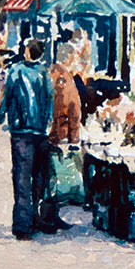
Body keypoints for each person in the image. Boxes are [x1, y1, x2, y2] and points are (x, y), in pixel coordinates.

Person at [0, 38, 54, 240]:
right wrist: (48, 123)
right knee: (38, 177)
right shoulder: (45, 72)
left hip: (20, 130)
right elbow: (49, 98)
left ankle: (22, 223)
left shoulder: (16, 70)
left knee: (21, 177)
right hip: (40, 131)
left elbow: (8, 94)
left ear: (28, 51)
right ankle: (36, 218)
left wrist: (0, 114)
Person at [42, 42, 82, 230]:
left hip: (45, 132)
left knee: (45, 176)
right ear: (69, 57)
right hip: (59, 133)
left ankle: (46, 215)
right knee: (55, 177)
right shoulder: (65, 79)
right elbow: (72, 108)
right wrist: (74, 139)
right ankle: (50, 217)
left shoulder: (49, 74)